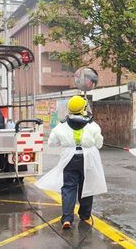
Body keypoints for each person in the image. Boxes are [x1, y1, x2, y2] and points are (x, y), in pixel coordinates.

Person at [35, 96, 107, 229]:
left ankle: (67, 218)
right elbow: (99, 144)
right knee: (87, 186)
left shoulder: (61, 126)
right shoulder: (93, 126)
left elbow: (52, 143)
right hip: (88, 159)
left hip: (69, 159)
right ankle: (85, 215)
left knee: (68, 187)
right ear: (83, 109)